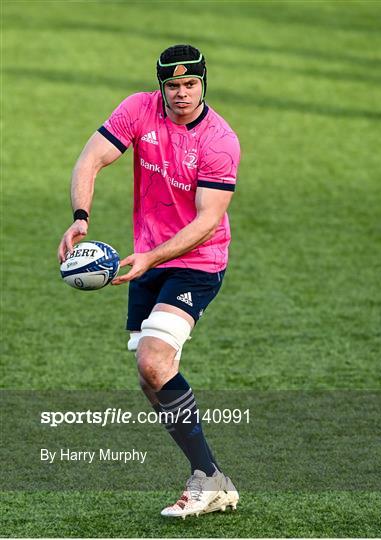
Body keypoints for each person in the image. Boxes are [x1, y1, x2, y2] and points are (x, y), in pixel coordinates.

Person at [58, 44, 241, 518]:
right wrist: (80, 217)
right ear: (161, 86)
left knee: (155, 359)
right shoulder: (139, 109)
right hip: (149, 257)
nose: (181, 94)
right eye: (173, 86)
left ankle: (205, 478)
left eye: (190, 84)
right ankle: (214, 477)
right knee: (149, 376)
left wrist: (151, 258)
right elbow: (90, 158)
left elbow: (206, 221)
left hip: (197, 261)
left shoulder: (220, 140)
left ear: (204, 83)